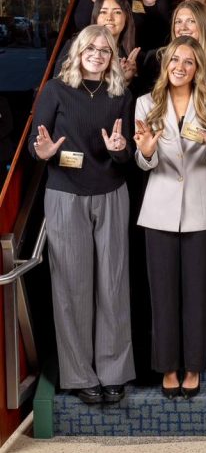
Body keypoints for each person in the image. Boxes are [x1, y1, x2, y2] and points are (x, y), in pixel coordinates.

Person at [29, 25, 135, 404]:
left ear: (112, 59)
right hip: (65, 196)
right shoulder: (56, 90)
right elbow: (35, 146)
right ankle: (79, 375)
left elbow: (129, 154)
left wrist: (121, 148)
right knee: (71, 288)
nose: (97, 54)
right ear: (77, 51)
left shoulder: (120, 94)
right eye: (90, 47)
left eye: (105, 50)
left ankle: (113, 372)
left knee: (113, 285)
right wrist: (42, 152)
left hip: (111, 193)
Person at [135, 36, 206, 399]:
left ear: (197, 69)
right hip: (159, 211)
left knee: (198, 294)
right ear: (165, 64)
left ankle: (193, 367)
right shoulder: (146, 104)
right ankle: (168, 368)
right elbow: (145, 160)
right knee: (163, 295)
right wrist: (145, 153)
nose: (180, 66)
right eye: (175, 59)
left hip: (203, 210)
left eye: (189, 62)